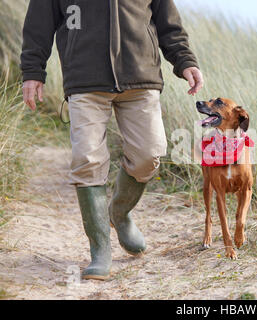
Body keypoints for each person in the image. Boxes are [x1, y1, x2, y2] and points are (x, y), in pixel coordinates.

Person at [20, 0, 203, 280]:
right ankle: (100, 250)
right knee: (87, 159)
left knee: (149, 155)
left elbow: (168, 22)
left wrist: (184, 60)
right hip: (85, 79)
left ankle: (119, 212)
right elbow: (38, 25)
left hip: (140, 77)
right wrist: (33, 72)